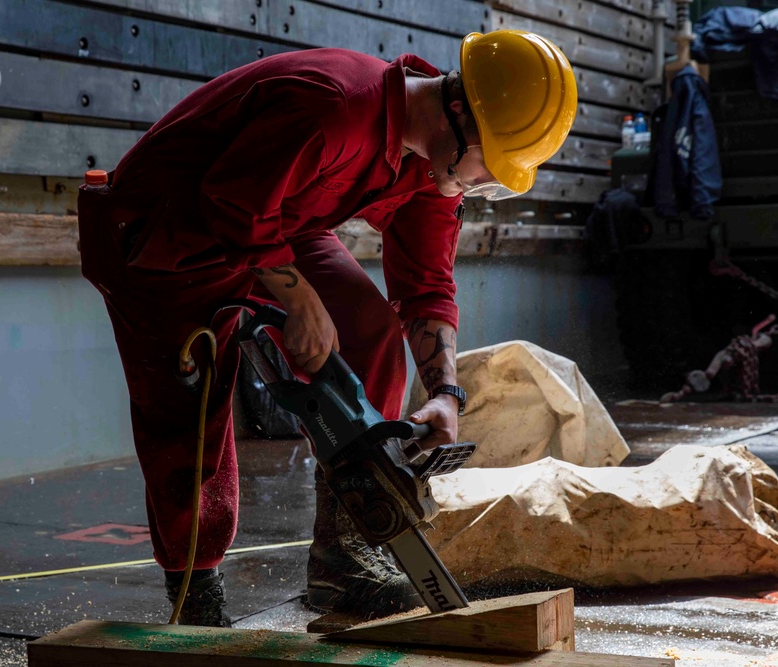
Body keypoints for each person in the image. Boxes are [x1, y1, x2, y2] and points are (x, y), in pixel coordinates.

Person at [77, 29, 577, 626]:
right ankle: (197, 591)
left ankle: (347, 557)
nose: (488, 183)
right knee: (190, 421)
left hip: (274, 223)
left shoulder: (428, 163)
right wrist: (300, 297)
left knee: (367, 329)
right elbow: (229, 202)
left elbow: (425, 287)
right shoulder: (336, 108)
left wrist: (446, 394)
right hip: (163, 235)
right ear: (459, 112)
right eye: (490, 165)